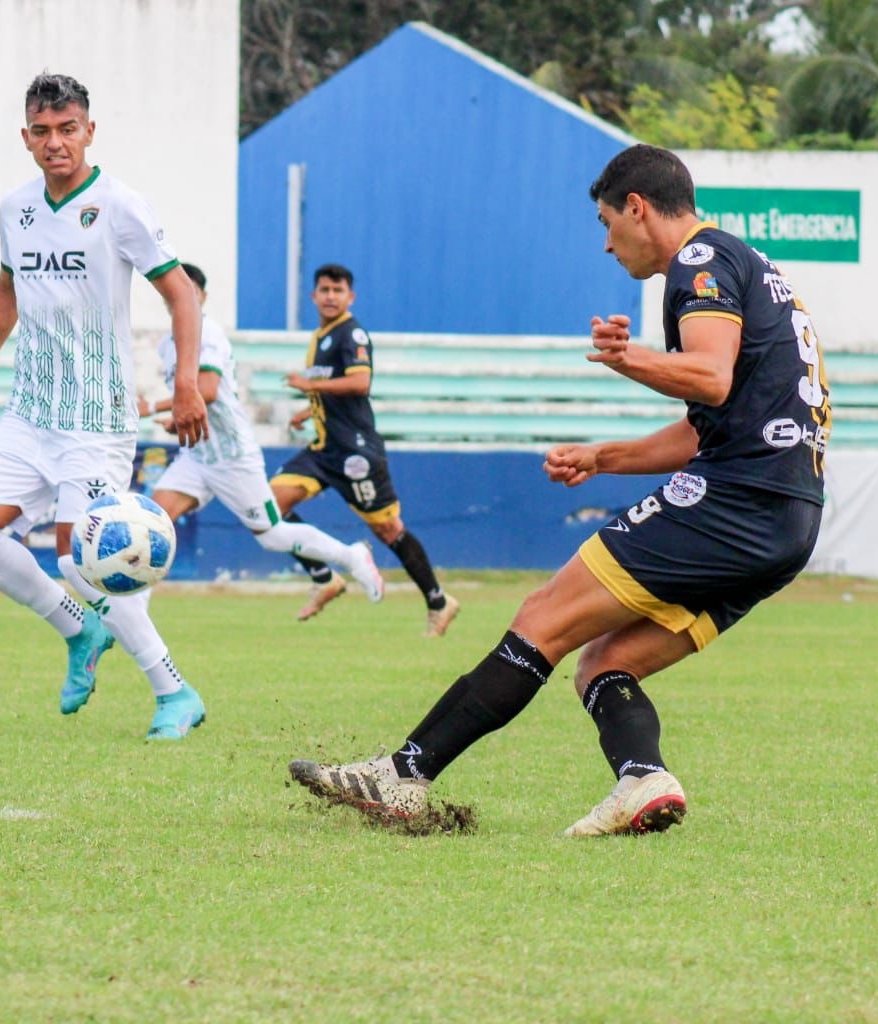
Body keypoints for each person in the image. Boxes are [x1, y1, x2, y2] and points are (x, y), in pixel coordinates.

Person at [289, 144, 832, 835]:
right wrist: (603, 457)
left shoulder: (699, 260)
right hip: (788, 521)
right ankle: (643, 778)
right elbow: (708, 428)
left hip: (737, 499)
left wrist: (627, 357)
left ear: (637, 208)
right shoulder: (753, 270)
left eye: (608, 223)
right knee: (604, 663)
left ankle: (403, 775)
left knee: (544, 616)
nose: (607, 243)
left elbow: (711, 376)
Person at [0, 72, 210, 741]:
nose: (55, 142)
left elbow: (180, 294)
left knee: (79, 559)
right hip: (29, 412)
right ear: (26, 137)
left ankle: (174, 691)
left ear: (89, 131)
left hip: (96, 420)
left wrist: (185, 381)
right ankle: (78, 629)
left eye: (67, 129)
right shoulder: (15, 209)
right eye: (42, 131)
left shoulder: (120, 206)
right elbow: (6, 290)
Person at [141, 263, 385, 601]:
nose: (183, 297)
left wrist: (152, 408)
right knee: (153, 523)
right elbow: (197, 402)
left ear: (202, 296)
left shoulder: (206, 332)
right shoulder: (168, 344)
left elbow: (208, 390)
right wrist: (178, 420)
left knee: (271, 535)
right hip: (198, 455)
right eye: (176, 289)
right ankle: (132, 615)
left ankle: (351, 556)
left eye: (192, 291)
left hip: (232, 456)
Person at [271, 264, 457, 635]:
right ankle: (324, 578)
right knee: (270, 505)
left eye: (337, 290)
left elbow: (359, 382)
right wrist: (309, 410)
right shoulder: (321, 336)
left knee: (388, 530)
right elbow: (335, 390)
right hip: (324, 449)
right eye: (323, 289)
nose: (329, 296)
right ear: (313, 295)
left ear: (350, 297)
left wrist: (308, 385)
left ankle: (439, 601)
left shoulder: (351, 333)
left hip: (356, 453)